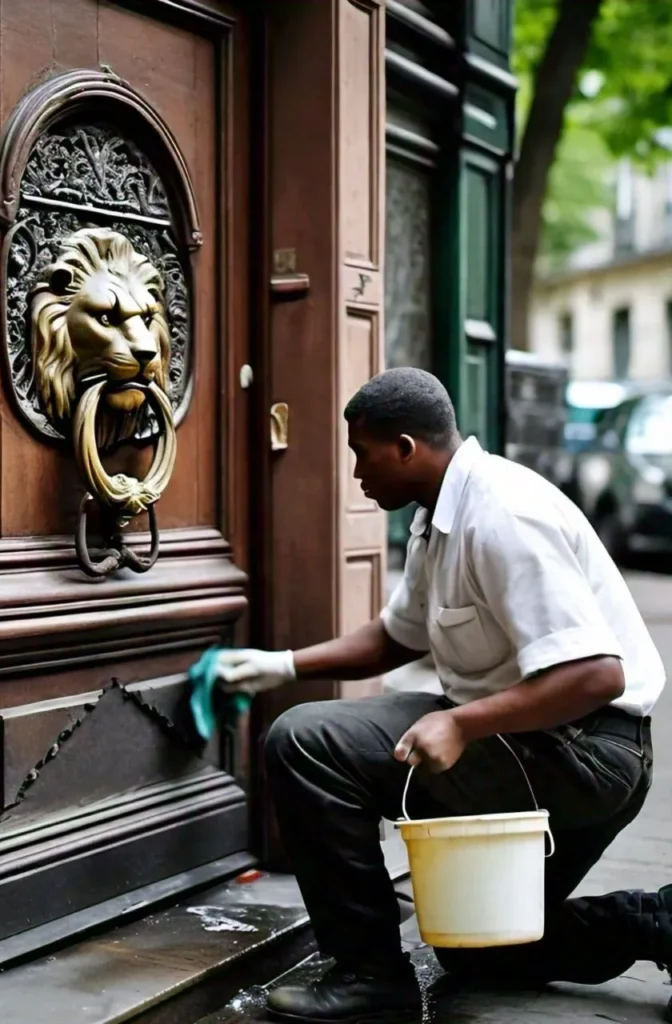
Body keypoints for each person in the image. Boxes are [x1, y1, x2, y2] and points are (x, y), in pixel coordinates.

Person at [211, 367, 668, 1024]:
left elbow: (597, 674)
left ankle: (370, 977)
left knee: (307, 742)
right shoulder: (440, 514)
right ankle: (656, 921)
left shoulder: (501, 514)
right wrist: (278, 664)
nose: (357, 474)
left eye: (361, 455)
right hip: (545, 744)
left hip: (587, 752)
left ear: (405, 447)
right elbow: (396, 638)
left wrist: (462, 725)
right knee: (480, 948)